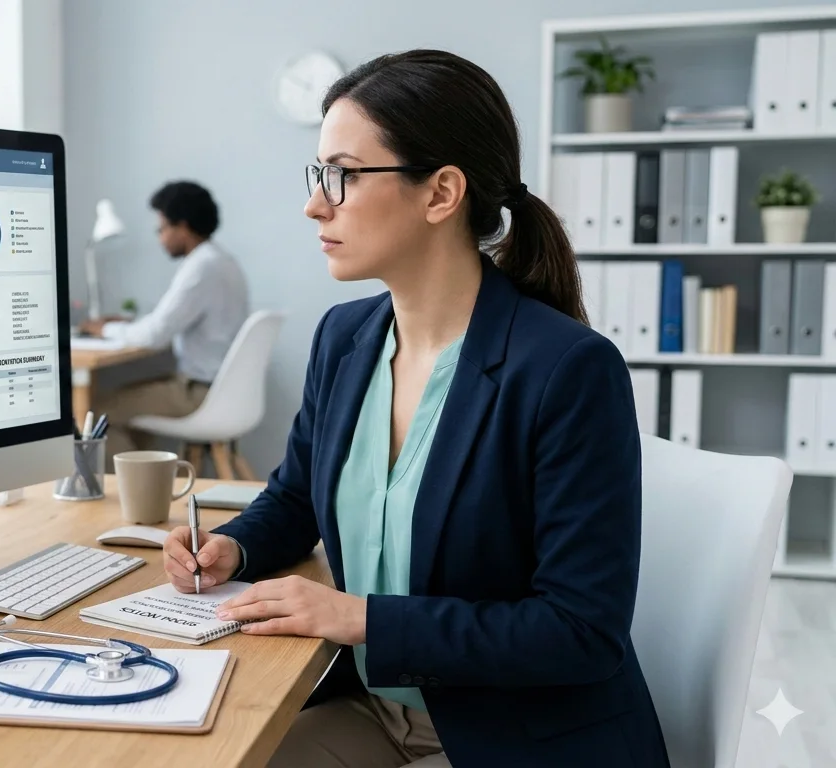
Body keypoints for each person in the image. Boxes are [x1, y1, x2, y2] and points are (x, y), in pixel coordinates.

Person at [160, 50, 671, 767]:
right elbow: (298, 495)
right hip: (379, 708)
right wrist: (234, 548)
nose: (315, 203)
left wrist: (360, 618)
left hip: (514, 735)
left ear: (441, 193)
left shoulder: (567, 371)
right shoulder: (345, 339)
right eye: (317, 174)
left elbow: (580, 631)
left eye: (342, 174)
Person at [80, 181, 249, 458]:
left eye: (161, 229)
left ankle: (133, 490)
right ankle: (146, 480)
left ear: (181, 228)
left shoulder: (201, 266)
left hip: (199, 393)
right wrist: (124, 325)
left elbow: (155, 334)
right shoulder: (223, 261)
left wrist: (106, 328)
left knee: (94, 413)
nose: (160, 238)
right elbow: (166, 322)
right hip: (222, 390)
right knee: (128, 406)